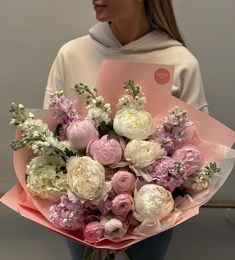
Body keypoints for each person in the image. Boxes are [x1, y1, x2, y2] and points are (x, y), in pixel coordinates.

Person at [43, 1, 208, 259]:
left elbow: (198, 152)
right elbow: (48, 141)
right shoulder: (72, 54)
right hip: (83, 220)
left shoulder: (180, 62)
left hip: (152, 224)